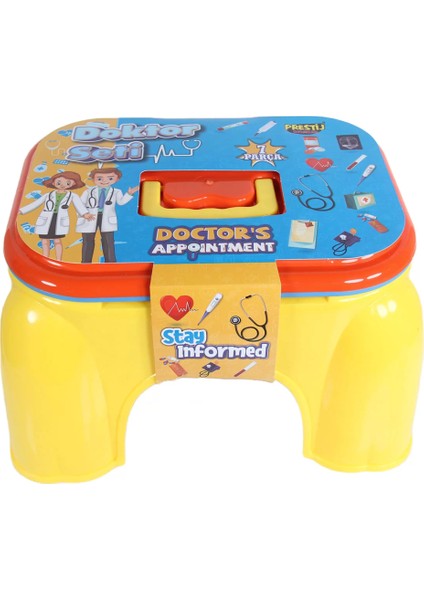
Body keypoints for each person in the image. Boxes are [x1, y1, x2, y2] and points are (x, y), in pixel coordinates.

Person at [19, 171, 94, 260]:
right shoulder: (48, 195)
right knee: (44, 241)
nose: (62, 185)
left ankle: (59, 259)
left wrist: (85, 214)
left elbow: (79, 205)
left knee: (57, 241)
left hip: (59, 220)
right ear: (53, 182)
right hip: (46, 219)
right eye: (59, 182)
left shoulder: (72, 195)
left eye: (67, 183)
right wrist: (22, 210)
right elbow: (36, 203)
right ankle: (45, 258)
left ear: (73, 184)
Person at [77, 167, 138, 263]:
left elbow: (121, 202)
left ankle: (110, 262)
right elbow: (79, 205)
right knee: (87, 241)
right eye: (99, 178)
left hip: (107, 218)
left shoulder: (116, 191)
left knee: (108, 241)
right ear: (93, 179)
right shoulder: (88, 192)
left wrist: (129, 194)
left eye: (110, 178)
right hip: (90, 217)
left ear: (117, 179)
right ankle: (85, 262)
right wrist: (84, 214)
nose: (104, 181)